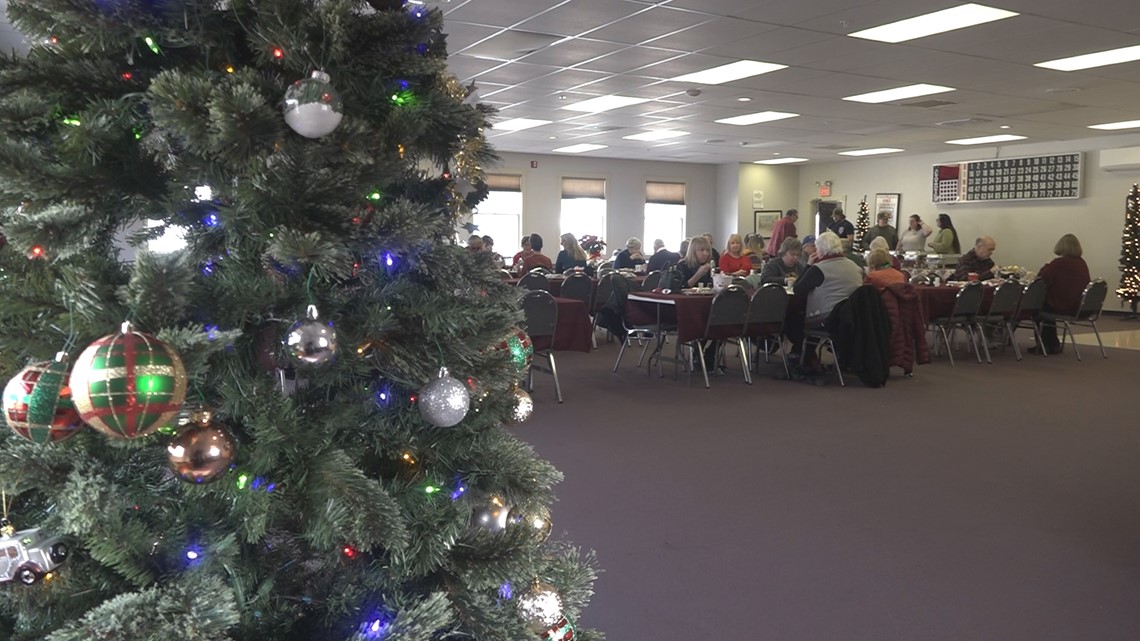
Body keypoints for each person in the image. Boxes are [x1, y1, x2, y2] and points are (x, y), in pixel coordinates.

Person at [789, 231, 864, 371]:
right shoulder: (856, 267)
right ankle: (808, 356)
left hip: (827, 319)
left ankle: (804, 356)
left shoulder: (819, 269)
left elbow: (797, 289)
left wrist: (808, 265)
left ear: (821, 251)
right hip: (850, 318)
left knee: (794, 320)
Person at [1033, 233, 1090, 355]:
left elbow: (1042, 279)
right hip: (1078, 305)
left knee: (1037, 307)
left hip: (1062, 305)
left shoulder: (1058, 264)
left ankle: (1045, 344)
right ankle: (1053, 343)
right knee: (1046, 306)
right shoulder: (1082, 263)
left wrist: (1046, 266)